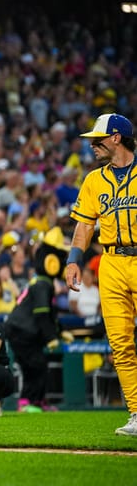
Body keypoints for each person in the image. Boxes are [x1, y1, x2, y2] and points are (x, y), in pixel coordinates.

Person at [64, 113, 137, 436]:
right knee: (120, 343)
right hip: (110, 261)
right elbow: (84, 225)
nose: (92, 144)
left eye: (98, 138)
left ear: (117, 138)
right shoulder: (94, 180)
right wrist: (73, 260)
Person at [6, 227, 73, 413]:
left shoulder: (45, 283)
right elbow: (42, 315)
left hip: (24, 332)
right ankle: (27, 402)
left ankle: (37, 401)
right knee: (36, 365)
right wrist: (51, 337)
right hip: (21, 331)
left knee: (38, 365)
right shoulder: (42, 284)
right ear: (51, 261)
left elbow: (49, 314)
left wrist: (59, 331)